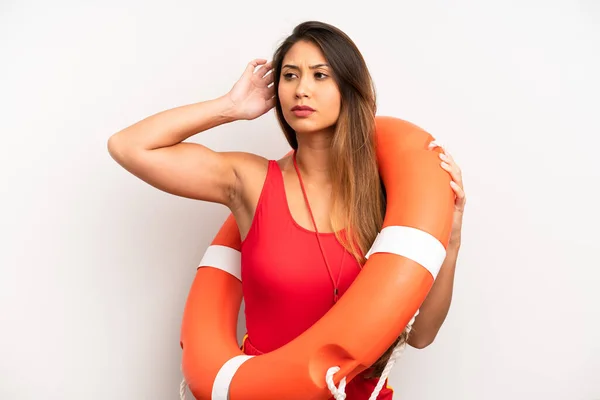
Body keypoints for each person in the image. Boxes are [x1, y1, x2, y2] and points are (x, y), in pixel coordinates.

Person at [108, 20, 466, 399]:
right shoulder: (251, 182)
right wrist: (229, 108)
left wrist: (452, 238)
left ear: (349, 88)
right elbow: (128, 146)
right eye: (290, 75)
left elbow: (422, 335)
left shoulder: (384, 199)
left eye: (320, 75)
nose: (301, 89)